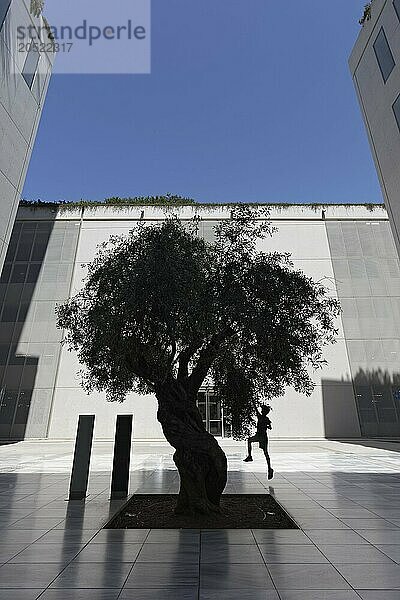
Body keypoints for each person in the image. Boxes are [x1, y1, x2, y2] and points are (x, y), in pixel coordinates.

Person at [243, 405, 274, 479]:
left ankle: (269, 468)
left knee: (265, 452)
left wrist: (265, 426)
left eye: (263, 410)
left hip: (262, 436)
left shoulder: (263, 418)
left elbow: (270, 427)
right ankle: (250, 456)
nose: (261, 411)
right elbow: (270, 427)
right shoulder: (265, 418)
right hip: (260, 436)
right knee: (250, 440)